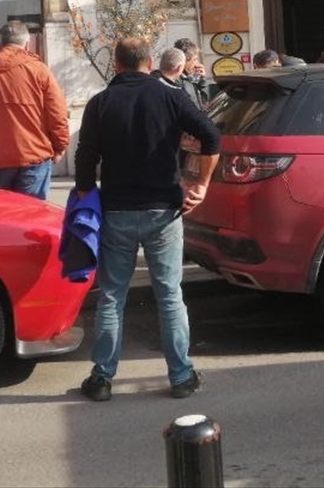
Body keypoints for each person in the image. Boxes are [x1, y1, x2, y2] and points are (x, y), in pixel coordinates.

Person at [75, 37, 221, 402]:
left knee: (111, 296)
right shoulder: (170, 96)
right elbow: (211, 136)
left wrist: (84, 197)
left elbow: (84, 159)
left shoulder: (100, 103)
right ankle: (182, 377)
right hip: (163, 210)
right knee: (170, 295)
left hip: (117, 211)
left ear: (116, 63)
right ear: (150, 61)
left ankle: (102, 378)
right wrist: (200, 184)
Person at [0, 20, 69, 200]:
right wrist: (59, 147)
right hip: (34, 157)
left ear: (0, 44)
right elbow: (57, 115)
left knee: (2, 221)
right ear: (27, 43)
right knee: (32, 218)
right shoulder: (39, 71)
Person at [173, 37, 210, 108]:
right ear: (184, 61)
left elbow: (204, 103)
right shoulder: (176, 80)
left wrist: (202, 81)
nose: (197, 64)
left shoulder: (190, 77)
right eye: (194, 60)